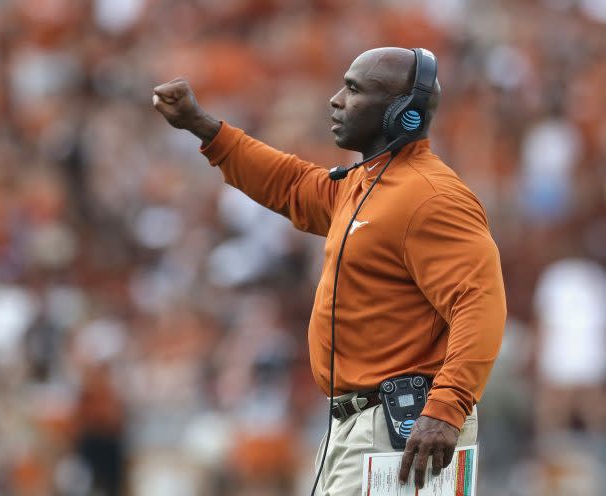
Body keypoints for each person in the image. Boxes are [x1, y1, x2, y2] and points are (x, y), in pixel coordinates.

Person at [153, 47, 506, 494]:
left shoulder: (432, 196)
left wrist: (445, 408)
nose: (335, 100)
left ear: (402, 112)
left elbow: (481, 303)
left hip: (404, 425)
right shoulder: (366, 182)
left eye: (355, 90)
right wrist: (202, 126)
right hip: (362, 422)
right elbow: (291, 184)